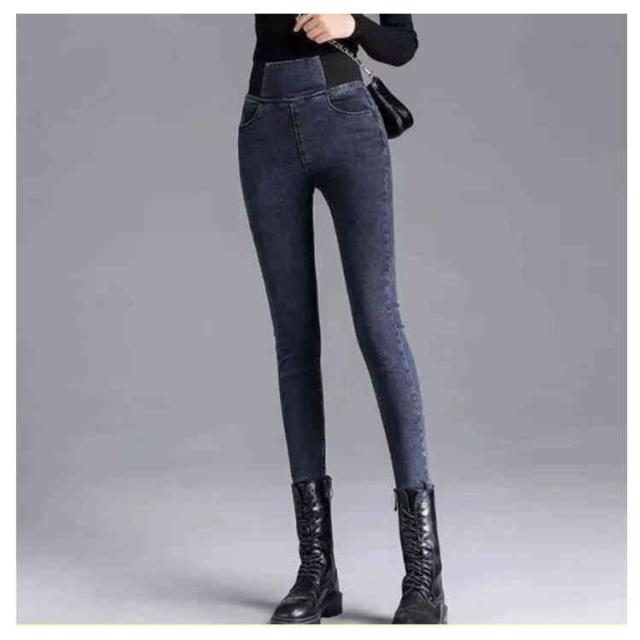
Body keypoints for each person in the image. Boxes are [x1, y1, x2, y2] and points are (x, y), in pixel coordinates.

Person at [237, 14, 448, 625]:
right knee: (294, 342)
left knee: (379, 325)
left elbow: (402, 44)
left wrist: (350, 21)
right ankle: (317, 570)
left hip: (345, 117)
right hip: (264, 122)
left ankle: (425, 575)